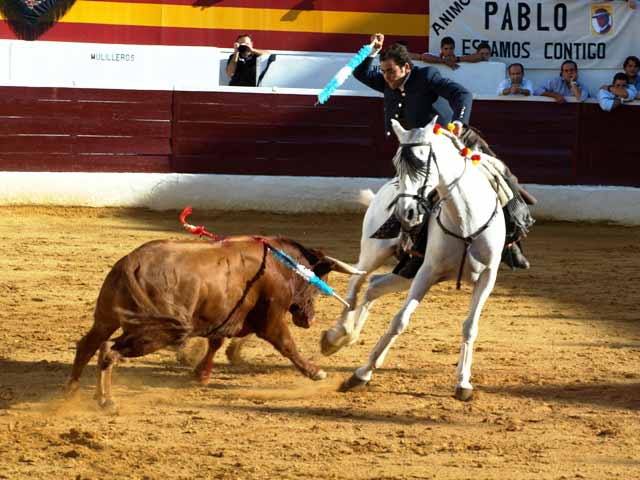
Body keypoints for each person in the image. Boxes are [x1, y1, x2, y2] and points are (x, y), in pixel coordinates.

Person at [354, 33, 531, 271]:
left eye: (390, 71)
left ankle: (512, 246)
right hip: (417, 151)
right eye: (383, 71)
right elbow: (360, 73)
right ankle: (414, 253)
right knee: (411, 196)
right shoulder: (389, 81)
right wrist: (371, 51)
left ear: (406, 67)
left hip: (453, 140)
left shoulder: (426, 76)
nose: (385, 77)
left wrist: (459, 121)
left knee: (500, 176)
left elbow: (462, 94)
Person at [410, 36, 485, 70]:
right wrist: (445, 61)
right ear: (441, 49)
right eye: (446, 49)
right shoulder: (435, 57)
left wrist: (457, 60)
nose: (449, 51)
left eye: (451, 48)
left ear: (454, 48)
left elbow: (479, 57)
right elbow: (423, 57)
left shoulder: (459, 57)